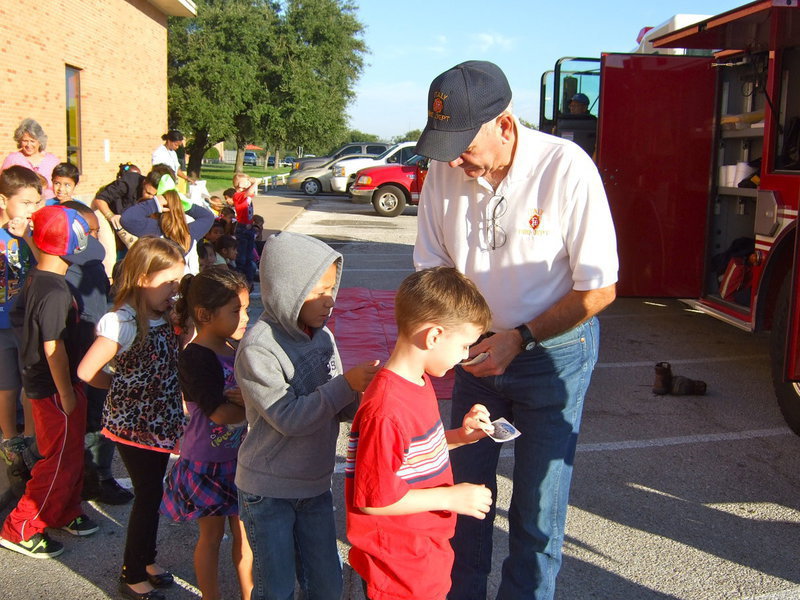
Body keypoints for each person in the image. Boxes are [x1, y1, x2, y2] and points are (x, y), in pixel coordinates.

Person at [413, 60, 618, 600]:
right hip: (476, 357)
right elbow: (432, 274)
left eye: (464, 144)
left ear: (505, 125)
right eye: (445, 144)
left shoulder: (567, 168)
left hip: (553, 356)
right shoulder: (444, 170)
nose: (454, 158)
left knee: (537, 509)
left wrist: (520, 337)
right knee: (463, 495)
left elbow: (598, 290)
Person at [234, 231, 380, 600]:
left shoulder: (323, 336)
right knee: (277, 588)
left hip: (313, 485)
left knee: (327, 584)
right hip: (268, 492)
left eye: (333, 288)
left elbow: (339, 404)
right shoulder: (259, 348)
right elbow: (290, 417)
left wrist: (370, 395)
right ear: (287, 289)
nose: (329, 299)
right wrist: (346, 385)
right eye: (317, 291)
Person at [346, 267, 496, 600]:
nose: (465, 356)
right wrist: (450, 497)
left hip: (421, 554)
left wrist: (461, 435)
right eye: (464, 345)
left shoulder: (418, 381)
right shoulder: (386, 410)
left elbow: (411, 455)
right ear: (433, 336)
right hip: (396, 568)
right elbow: (373, 500)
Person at [77, 237, 187, 600]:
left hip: (162, 422)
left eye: (178, 282)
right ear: (142, 277)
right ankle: (132, 572)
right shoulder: (122, 321)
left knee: (153, 492)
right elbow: (88, 370)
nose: (175, 290)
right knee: (148, 494)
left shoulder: (163, 316)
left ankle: (147, 559)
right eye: (168, 282)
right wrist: (119, 387)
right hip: (134, 427)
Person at [0, 205, 103, 559]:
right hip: (55, 390)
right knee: (57, 461)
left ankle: (61, 510)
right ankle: (21, 527)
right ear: (73, 243)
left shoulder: (38, 276)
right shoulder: (56, 291)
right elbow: (52, 346)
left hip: (54, 387)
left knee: (71, 456)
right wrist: (66, 394)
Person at [161, 267, 253, 600]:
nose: (245, 317)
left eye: (246, 309)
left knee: (245, 537)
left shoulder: (234, 347)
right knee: (211, 538)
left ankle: (249, 595)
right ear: (204, 314)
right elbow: (220, 412)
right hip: (208, 464)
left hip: (241, 460)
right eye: (236, 311)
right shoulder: (196, 357)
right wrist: (257, 406)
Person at [61, 201, 133, 505]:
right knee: (97, 423)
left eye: (94, 231)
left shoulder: (83, 265)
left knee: (98, 421)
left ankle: (93, 476)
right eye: (86, 232)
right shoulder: (81, 264)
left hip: (90, 353)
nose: (93, 239)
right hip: (85, 357)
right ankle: (96, 479)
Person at [0, 166, 40, 467]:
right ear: (4, 201)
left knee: (29, 383)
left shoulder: (32, 232)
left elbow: (44, 262)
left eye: (36, 202)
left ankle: (29, 438)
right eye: (26, 202)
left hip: (27, 322)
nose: (32, 209)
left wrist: (27, 236)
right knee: (7, 384)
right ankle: (9, 437)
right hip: (2, 325)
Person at [120, 177, 214, 275]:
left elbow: (127, 219)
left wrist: (154, 203)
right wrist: (185, 205)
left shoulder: (153, 229)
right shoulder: (189, 231)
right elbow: (208, 216)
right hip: (183, 285)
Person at [1, 119, 61, 199]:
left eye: (32, 141)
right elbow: (3, 184)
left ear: (39, 142)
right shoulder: (13, 159)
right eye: (25, 141)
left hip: (49, 204)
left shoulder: (52, 161)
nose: (28, 145)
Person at [231, 173, 258, 282]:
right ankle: (240, 279)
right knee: (241, 258)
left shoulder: (245, 194)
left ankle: (249, 280)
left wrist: (252, 182)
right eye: (245, 181)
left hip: (249, 228)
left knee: (249, 257)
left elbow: (252, 192)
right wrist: (254, 182)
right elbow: (250, 192)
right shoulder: (237, 195)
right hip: (242, 228)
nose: (248, 182)